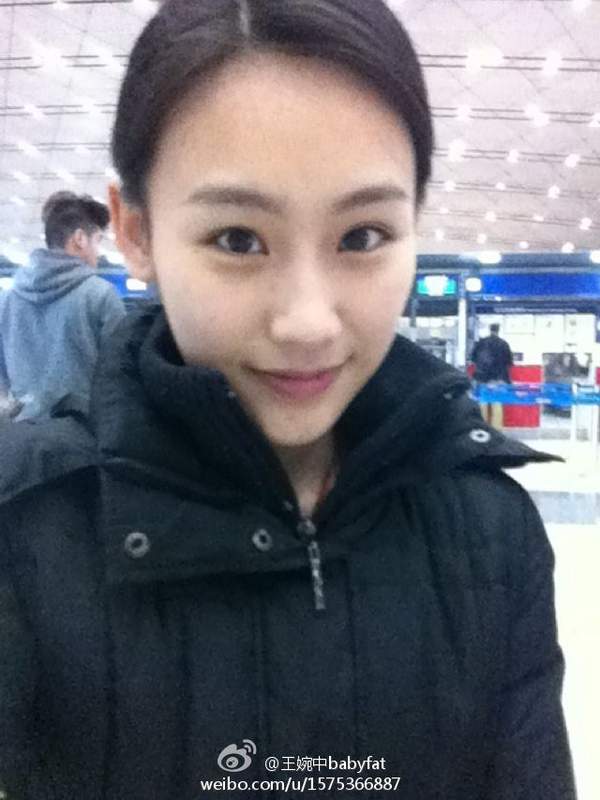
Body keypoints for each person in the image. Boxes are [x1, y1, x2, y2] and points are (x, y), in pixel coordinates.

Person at [0, 2, 576, 799]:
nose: (308, 323)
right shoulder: (25, 529)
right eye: (238, 240)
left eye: (363, 237)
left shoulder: (491, 531)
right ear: (135, 231)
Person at [0, 191, 126, 420]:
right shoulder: (100, 295)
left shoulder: (7, 300)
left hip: (23, 433)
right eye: (97, 240)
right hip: (85, 433)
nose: (98, 254)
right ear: (80, 239)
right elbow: (121, 377)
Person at [471, 323, 514, 428]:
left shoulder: (481, 342)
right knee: (496, 402)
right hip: (498, 378)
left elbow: (473, 358)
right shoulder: (504, 344)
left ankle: (483, 427)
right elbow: (509, 362)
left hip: (482, 377)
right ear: (498, 330)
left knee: (483, 402)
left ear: (490, 330)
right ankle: (496, 429)